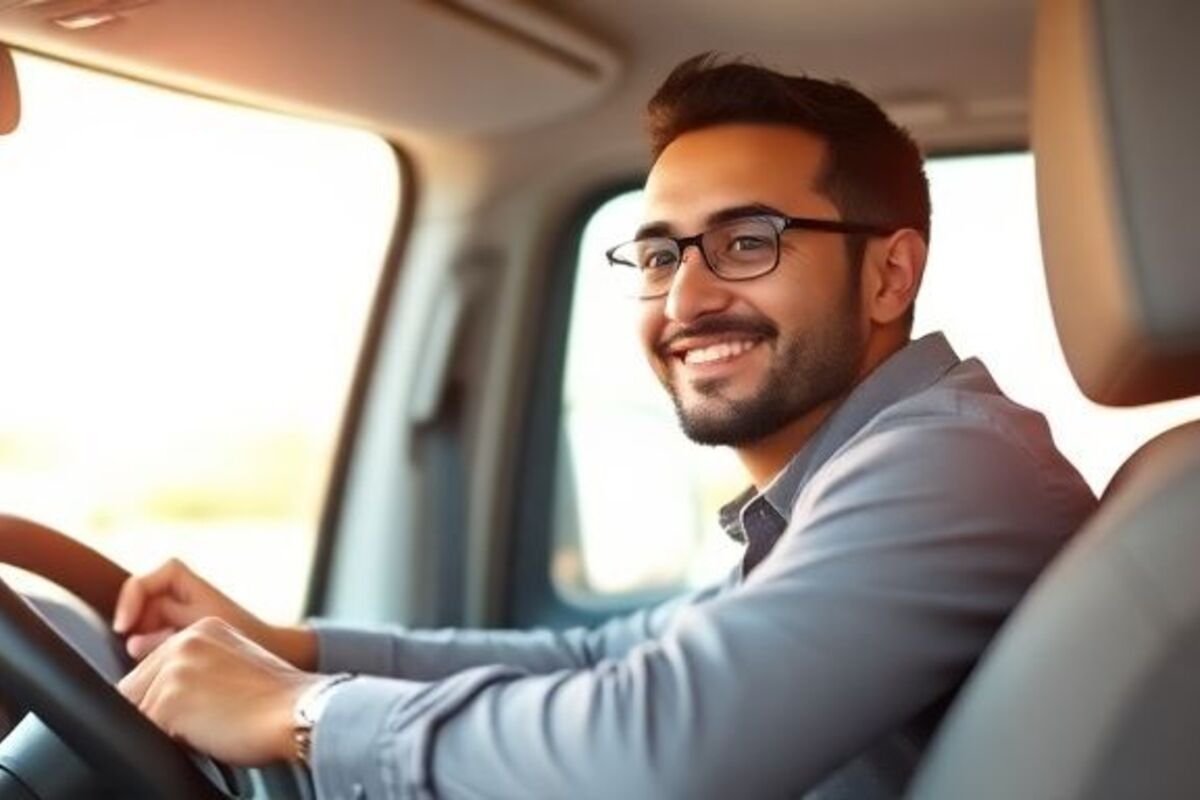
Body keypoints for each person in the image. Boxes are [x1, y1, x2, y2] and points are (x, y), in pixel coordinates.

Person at [113, 54, 1097, 799]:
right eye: (661, 254)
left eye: (748, 242)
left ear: (889, 272)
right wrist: (291, 645)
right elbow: (608, 659)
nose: (687, 299)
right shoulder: (848, 478)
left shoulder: (957, 459)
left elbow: (662, 742)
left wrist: (297, 711)